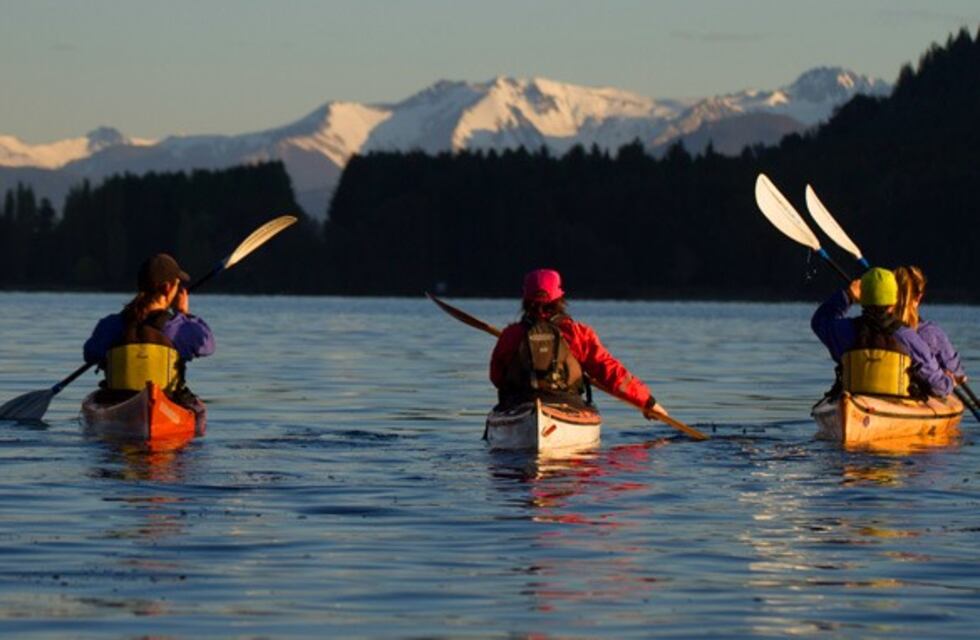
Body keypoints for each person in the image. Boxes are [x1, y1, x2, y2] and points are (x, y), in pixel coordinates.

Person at [489, 268, 667, 419]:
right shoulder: (577, 334)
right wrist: (647, 401)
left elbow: (497, 377)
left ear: (525, 299)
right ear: (559, 299)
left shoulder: (510, 335)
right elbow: (611, 372)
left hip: (518, 407)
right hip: (568, 407)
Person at [83, 253, 215, 403]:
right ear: (167, 288)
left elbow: (90, 354)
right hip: (165, 402)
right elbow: (207, 345)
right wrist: (184, 314)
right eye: (177, 284)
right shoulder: (178, 327)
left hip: (118, 401)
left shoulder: (111, 325)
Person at [811, 266, 952, 398]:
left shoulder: (843, 330)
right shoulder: (909, 337)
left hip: (856, 399)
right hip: (896, 402)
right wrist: (949, 381)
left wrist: (847, 296)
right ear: (894, 299)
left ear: (862, 298)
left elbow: (819, 320)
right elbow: (938, 385)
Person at [894, 265, 966, 384]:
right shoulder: (929, 333)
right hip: (919, 393)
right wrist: (948, 379)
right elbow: (957, 373)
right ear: (919, 297)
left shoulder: (873, 328)